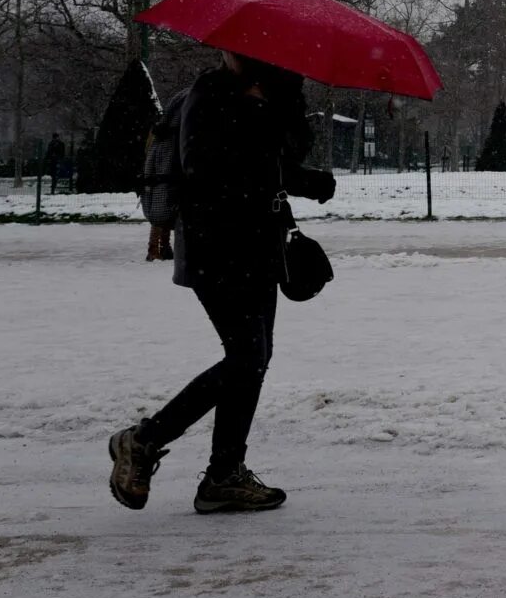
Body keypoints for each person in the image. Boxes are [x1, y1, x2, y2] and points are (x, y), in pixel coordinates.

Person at [107, 51, 336, 514]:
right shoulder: (208, 95)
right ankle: (145, 439)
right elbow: (212, 171)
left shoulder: (275, 95)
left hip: (259, 247)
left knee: (254, 357)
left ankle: (224, 475)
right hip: (217, 248)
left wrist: (287, 98)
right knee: (247, 357)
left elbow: (289, 150)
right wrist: (295, 175)